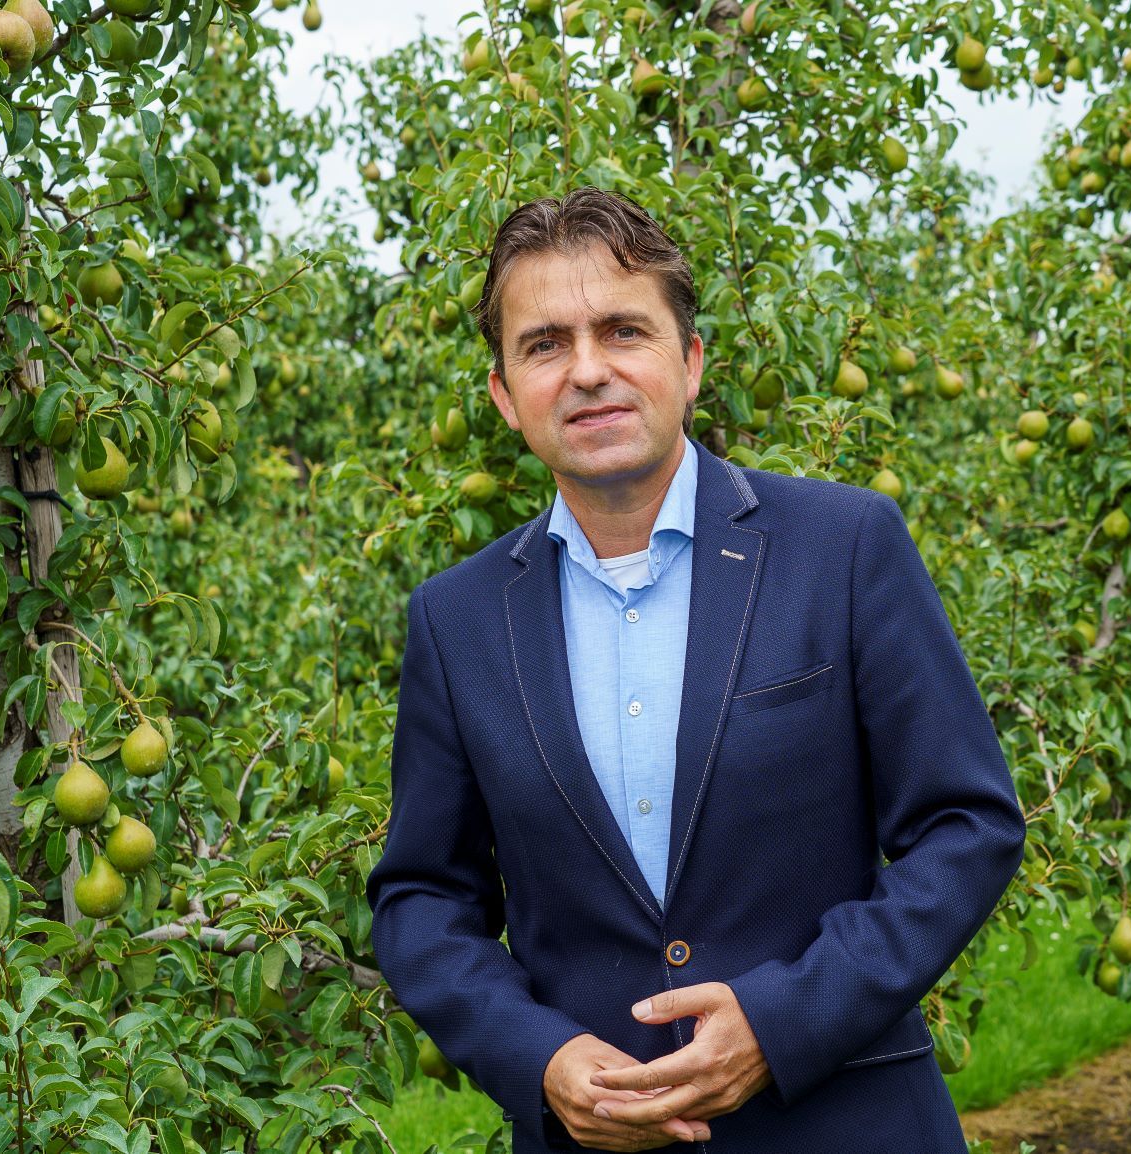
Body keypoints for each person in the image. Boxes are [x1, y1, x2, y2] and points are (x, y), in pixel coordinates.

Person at [365, 187, 1026, 1153]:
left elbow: (966, 826)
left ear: (690, 361)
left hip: (846, 1123)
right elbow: (425, 900)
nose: (588, 371)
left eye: (623, 330)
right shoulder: (457, 619)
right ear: (507, 395)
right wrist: (541, 1060)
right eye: (545, 344)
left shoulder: (841, 547)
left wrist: (782, 1022)